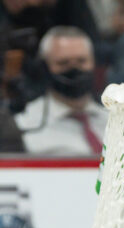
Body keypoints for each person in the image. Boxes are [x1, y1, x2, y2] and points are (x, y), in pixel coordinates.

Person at [15, 25, 106, 156]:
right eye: (63, 63)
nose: (75, 69)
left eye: (82, 61)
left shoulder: (116, 119)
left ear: (93, 62)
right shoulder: (24, 124)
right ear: (44, 68)